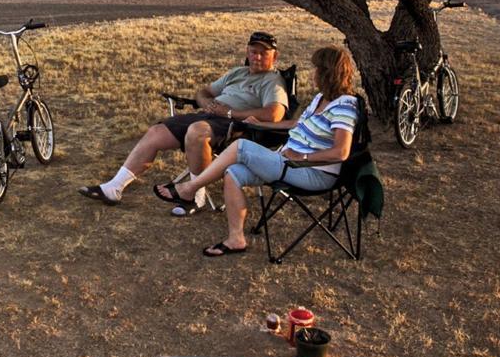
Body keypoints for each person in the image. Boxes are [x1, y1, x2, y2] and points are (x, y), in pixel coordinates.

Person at [169, 45, 360, 257]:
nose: (313, 73)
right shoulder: (320, 98)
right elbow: (297, 124)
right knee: (233, 173)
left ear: (328, 73)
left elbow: (341, 152)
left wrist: (303, 156)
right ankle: (236, 239)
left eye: (316, 69)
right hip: (288, 163)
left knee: (240, 147)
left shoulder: (345, 106)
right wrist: (262, 124)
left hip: (313, 172)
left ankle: (189, 189)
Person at [78, 31, 289, 209]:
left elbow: (274, 114)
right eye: (254, 52)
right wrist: (206, 103)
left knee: (197, 131)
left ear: (275, 56)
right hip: (209, 116)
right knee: (156, 132)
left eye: (264, 53)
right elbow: (203, 91)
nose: (258, 57)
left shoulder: (273, 80)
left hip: (238, 127)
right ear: (247, 52)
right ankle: (114, 188)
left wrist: (230, 113)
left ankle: (195, 195)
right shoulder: (238, 72)